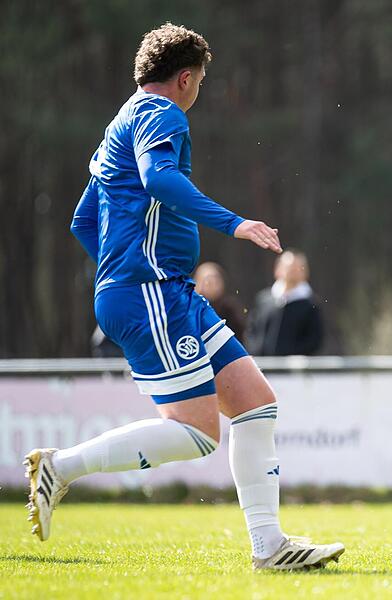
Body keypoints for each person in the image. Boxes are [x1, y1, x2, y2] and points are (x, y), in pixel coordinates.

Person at [24, 23, 344, 571]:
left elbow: (82, 219)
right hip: (150, 291)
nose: (198, 94)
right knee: (198, 434)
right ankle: (62, 466)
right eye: (201, 84)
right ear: (187, 78)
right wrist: (234, 223)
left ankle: (270, 548)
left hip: (158, 289)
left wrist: (118, 267)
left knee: (256, 402)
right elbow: (159, 178)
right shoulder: (161, 113)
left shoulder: (117, 126)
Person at [246, 250, 324, 356]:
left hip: (293, 369)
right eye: (289, 267)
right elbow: (252, 331)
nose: (292, 271)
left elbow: (314, 340)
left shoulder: (311, 304)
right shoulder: (264, 299)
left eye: (297, 268)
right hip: (262, 366)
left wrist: (291, 356)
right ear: (277, 269)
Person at [193, 261, 247, 342]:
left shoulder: (230, 308)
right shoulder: (191, 307)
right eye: (208, 280)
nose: (212, 284)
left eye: (215, 279)